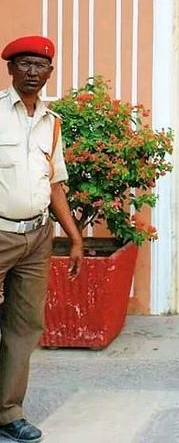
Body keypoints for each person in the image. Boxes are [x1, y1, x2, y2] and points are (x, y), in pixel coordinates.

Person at [0, 36, 83, 443]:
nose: (33, 72)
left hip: (36, 236)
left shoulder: (52, 124)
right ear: (11, 69)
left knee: (24, 326)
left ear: (50, 72)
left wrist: (74, 236)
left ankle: (9, 412)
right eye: (25, 64)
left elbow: (55, 186)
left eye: (40, 65)